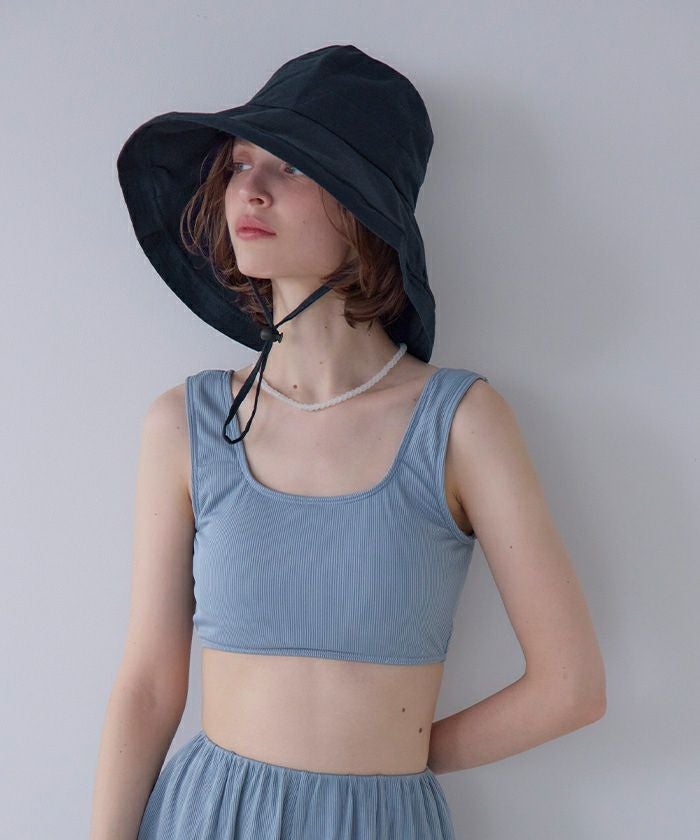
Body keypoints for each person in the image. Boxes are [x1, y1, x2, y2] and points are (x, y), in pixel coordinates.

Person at [89, 45, 606, 840]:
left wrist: (385, 761)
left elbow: (570, 688)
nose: (250, 189)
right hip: (205, 817)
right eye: (239, 164)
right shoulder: (185, 424)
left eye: (291, 166)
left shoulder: (462, 423)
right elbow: (149, 689)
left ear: (365, 209)